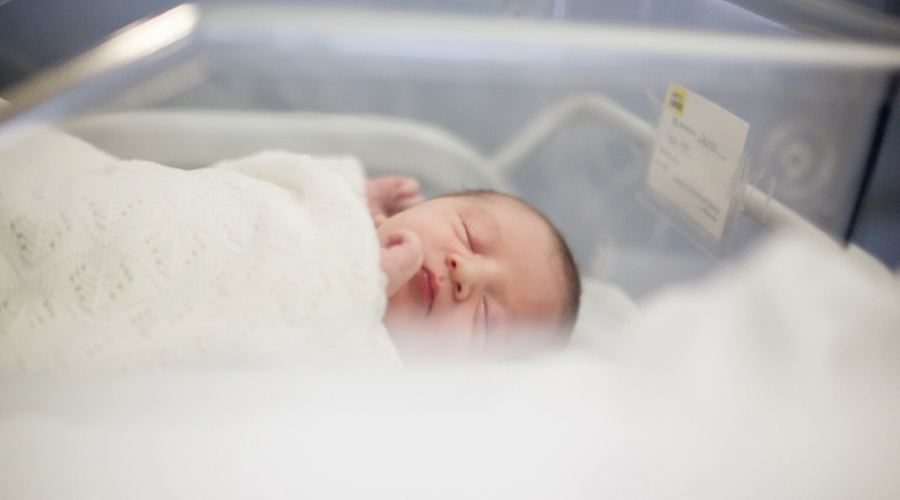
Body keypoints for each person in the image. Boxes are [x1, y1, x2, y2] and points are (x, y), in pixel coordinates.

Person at [366, 176, 581, 362]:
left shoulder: (373, 382)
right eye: (467, 234)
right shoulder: (349, 209)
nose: (466, 273)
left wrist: (365, 281)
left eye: (485, 320)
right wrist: (357, 193)